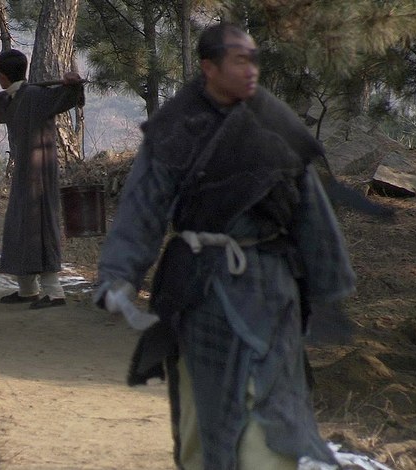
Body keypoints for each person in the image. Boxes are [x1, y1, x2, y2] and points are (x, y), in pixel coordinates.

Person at [94, 22, 356, 469]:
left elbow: (310, 209)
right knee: (204, 415)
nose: (251, 68)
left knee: (274, 415)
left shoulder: (276, 123)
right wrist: (119, 275)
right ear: (209, 67)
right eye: (239, 60)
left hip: (271, 286)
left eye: (254, 59)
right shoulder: (176, 126)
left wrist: (328, 286)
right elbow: (143, 206)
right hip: (201, 289)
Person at [0, 49, 85, 310]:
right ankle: (27, 290)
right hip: (24, 172)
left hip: (40, 173)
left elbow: (67, 97)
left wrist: (72, 85)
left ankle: (54, 293)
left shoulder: (34, 95)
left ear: (2, 76)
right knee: (19, 225)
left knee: (40, 227)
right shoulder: (10, 98)